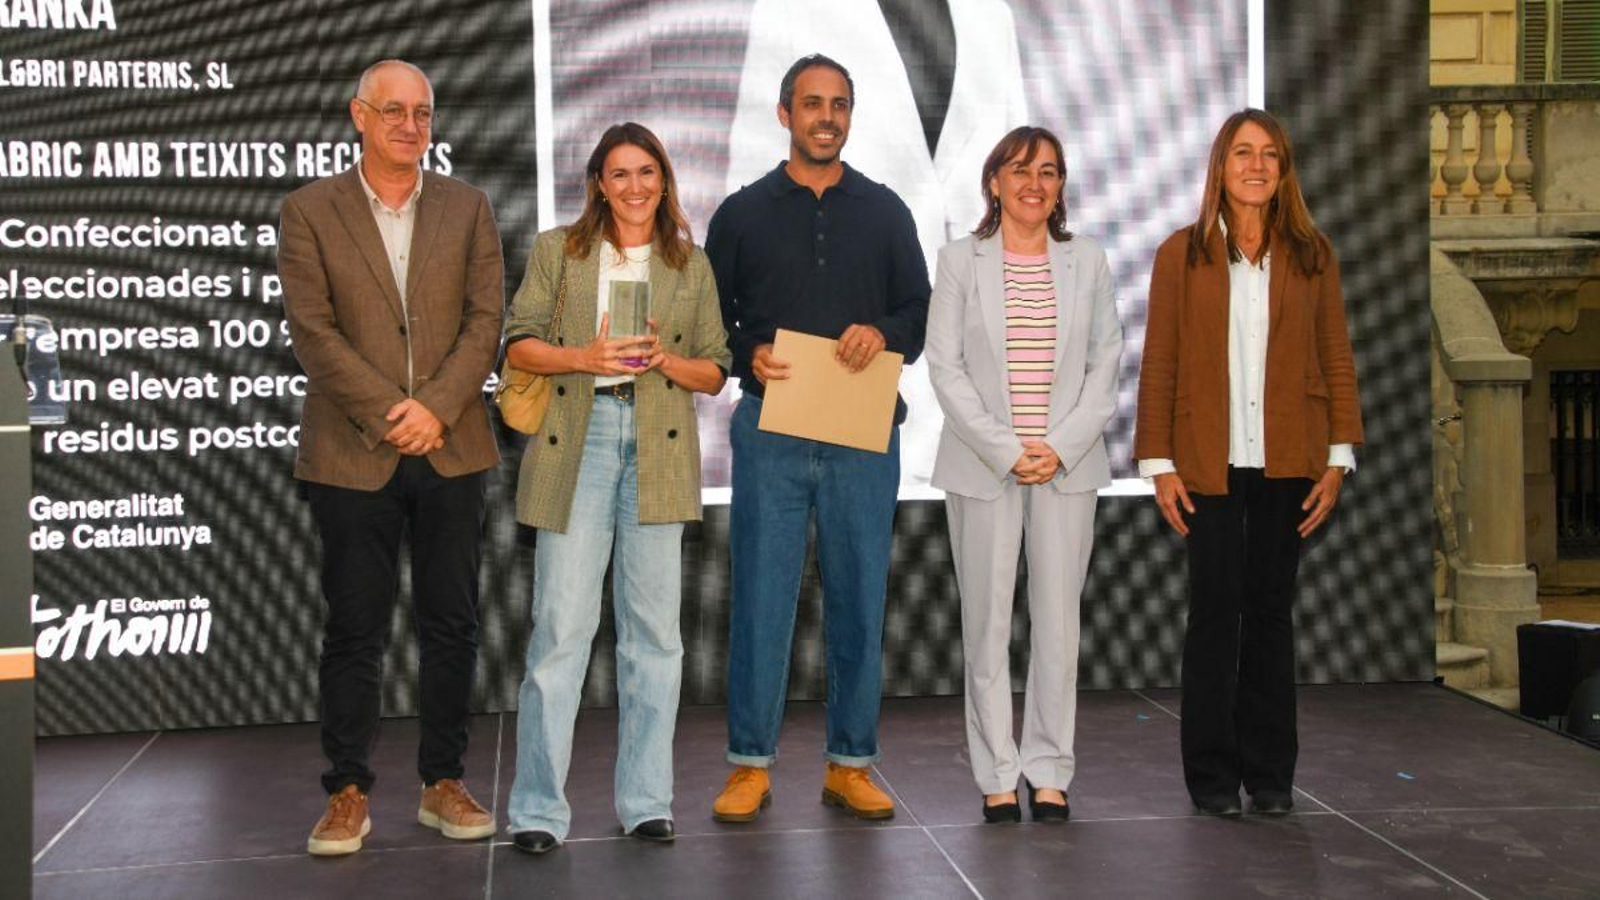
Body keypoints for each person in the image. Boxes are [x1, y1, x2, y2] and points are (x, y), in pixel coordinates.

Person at [278, 59, 503, 856]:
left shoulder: (470, 207)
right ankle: (346, 791)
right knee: (355, 629)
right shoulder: (308, 211)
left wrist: (435, 408)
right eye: (394, 111)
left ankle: (444, 781)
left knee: (452, 625)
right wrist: (390, 413)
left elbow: (486, 323)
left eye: (423, 113)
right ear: (359, 116)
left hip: (451, 447)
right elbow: (315, 333)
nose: (411, 125)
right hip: (353, 451)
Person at [705, 53, 930, 823]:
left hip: (864, 436)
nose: (825, 116)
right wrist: (746, 355)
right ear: (784, 114)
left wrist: (886, 331)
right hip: (770, 427)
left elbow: (917, 314)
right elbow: (710, 324)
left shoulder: (886, 210)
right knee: (762, 600)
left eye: (838, 104)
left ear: (849, 116)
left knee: (860, 601)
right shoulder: (741, 212)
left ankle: (851, 763)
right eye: (811, 103)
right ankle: (748, 767)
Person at [503, 123, 730, 854]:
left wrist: (667, 359)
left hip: (660, 451)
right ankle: (537, 809)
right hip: (582, 442)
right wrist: (585, 355)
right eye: (619, 173)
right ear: (598, 183)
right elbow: (517, 343)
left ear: (664, 181)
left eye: (647, 173)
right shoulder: (557, 252)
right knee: (560, 634)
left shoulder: (689, 265)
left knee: (656, 640)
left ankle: (646, 801)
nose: (634, 186)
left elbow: (718, 370)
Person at [1133, 109, 1363, 818]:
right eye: (1242, 152)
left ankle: (1269, 778)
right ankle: (1209, 780)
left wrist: (1339, 457)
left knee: (1269, 615)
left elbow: (1336, 357)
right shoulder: (1182, 253)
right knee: (1213, 617)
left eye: (1269, 154)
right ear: (1221, 166)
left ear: (1283, 170)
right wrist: (1157, 463)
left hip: (1290, 462)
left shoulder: (1312, 254)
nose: (1256, 165)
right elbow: (1161, 361)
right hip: (1207, 464)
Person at [925, 126, 1122, 824]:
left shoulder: (1088, 260)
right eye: (1018, 170)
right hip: (986, 469)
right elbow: (944, 368)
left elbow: (1106, 365)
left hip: (1066, 471)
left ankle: (1048, 769)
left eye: (1047, 171)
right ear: (993, 182)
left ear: (1061, 185)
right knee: (985, 628)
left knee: (1058, 628)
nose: (1033, 183)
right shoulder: (959, 260)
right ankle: (998, 775)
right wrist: (1009, 449)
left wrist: (1058, 447)